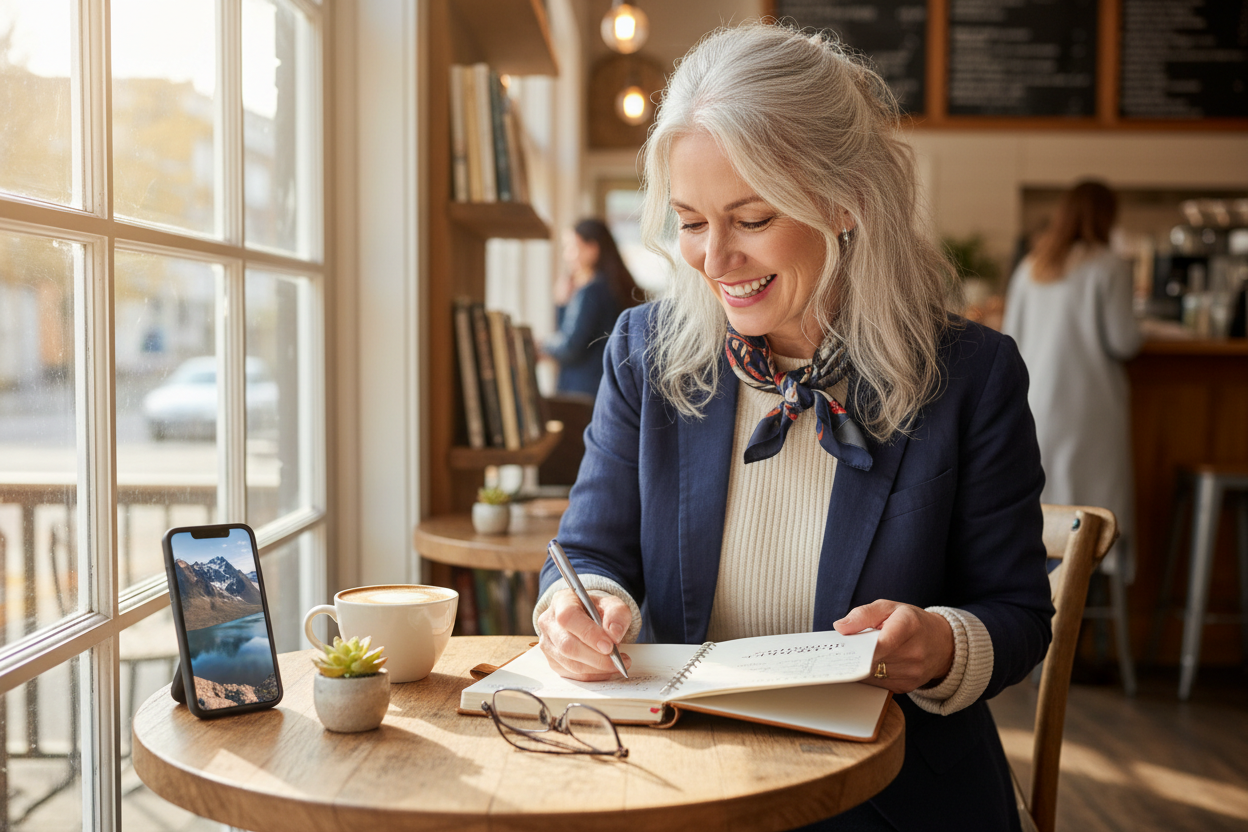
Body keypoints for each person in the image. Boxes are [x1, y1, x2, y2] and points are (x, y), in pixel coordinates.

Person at [533, 23, 1053, 832]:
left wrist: (942, 644)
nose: (714, 260)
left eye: (750, 217)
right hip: (682, 779)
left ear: (845, 202)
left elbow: (1017, 614)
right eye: (692, 221)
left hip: (895, 793)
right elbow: (591, 551)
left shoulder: (972, 375)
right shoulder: (645, 353)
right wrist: (580, 608)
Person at [1002, 180, 1142, 584]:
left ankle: (1048, 599)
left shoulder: (1032, 265)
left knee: (1047, 511)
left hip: (1037, 403)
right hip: (1091, 408)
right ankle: (1091, 599)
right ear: (1107, 216)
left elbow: (1011, 336)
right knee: (1095, 512)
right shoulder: (1109, 265)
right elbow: (1123, 340)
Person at [544, 218, 641, 396]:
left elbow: (571, 346)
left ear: (592, 249)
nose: (567, 255)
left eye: (572, 247)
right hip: (606, 386)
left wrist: (561, 305)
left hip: (584, 389)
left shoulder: (592, 291)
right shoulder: (613, 287)